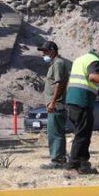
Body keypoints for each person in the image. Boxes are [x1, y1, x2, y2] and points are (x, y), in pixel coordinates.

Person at [65, 46, 99, 176]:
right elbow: (93, 77)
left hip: (73, 101)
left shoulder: (81, 59)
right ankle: (71, 166)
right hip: (81, 101)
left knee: (84, 133)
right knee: (81, 135)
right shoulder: (95, 62)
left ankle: (84, 164)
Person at [38, 40, 70, 168]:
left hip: (56, 105)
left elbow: (59, 83)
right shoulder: (54, 64)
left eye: (45, 51)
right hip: (54, 105)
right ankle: (60, 158)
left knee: (55, 133)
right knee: (55, 132)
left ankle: (57, 161)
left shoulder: (58, 63)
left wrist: (53, 102)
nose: (43, 54)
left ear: (52, 51)